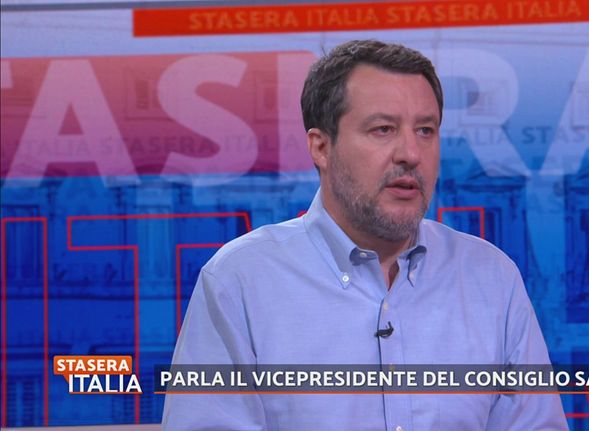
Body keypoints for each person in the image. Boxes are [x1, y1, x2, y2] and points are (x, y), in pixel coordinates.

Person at [163, 39, 567, 430]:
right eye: (383, 129)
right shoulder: (240, 282)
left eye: (425, 130)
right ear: (321, 147)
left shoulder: (492, 278)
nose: (411, 154)